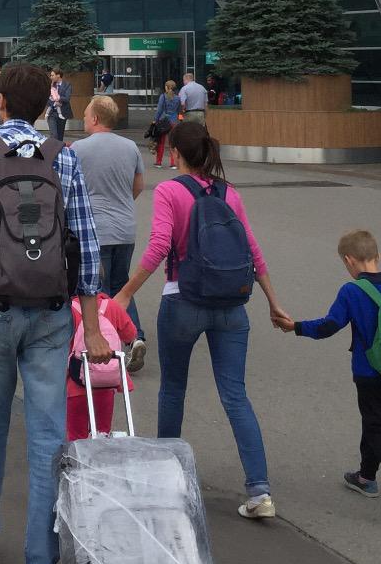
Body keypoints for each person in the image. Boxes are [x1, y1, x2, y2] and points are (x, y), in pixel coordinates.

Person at [0, 62, 110, 564]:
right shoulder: (65, 158)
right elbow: (85, 244)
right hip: (54, 314)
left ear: (1, 103)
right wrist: (96, 325)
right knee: (47, 442)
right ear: (45, 107)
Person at [112, 118, 289, 521]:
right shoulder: (230, 193)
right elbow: (254, 251)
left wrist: (125, 294)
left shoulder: (171, 190)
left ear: (175, 153)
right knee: (235, 395)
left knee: (173, 389)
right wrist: (273, 303)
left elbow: (159, 246)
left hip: (183, 301)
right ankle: (259, 491)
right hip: (232, 306)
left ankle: (163, 477)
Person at [274, 228, 381, 526]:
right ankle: (366, 477)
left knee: (375, 428)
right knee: (375, 422)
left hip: (367, 371)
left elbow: (329, 326)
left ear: (349, 261)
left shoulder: (351, 291)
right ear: (377, 256)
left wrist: (294, 327)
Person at [75, 95, 148, 371]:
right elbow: (139, 184)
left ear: (95, 118)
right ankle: (135, 337)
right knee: (122, 285)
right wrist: (122, 203)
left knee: (98, 292)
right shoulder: (130, 147)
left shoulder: (79, 149)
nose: (83, 118)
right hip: (125, 227)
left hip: (96, 229)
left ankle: (107, 347)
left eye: (85, 114)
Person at [65, 291, 139, 441]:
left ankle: (79, 462)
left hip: (77, 385)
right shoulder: (112, 306)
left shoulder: (69, 309)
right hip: (106, 384)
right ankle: (100, 462)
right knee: (102, 433)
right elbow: (130, 334)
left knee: (76, 436)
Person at [151, 79, 181, 167]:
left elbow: (159, 110)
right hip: (173, 121)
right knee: (172, 143)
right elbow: (179, 111)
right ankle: (173, 163)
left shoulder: (163, 97)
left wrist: (155, 120)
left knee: (161, 142)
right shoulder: (178, 98)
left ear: (167, 87)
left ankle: (159, 162)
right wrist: (179, 121)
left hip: (163, 122)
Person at [46, 68, 72, 142]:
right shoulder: (50, 85)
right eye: (50, 75)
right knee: (54, 135)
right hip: (52, 113)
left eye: (52, 75)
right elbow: (46, 98)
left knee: (60, 137)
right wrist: (54, 103)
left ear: (58, 75)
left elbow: (67, 98)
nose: (51, 77)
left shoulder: (67, 85)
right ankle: (52, 152)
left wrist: (57, 97)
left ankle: (58, 152)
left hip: (63, 113)